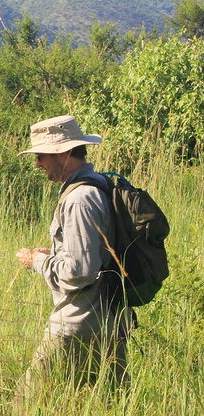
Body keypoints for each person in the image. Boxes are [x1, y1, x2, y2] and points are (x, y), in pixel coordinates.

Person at [15, 114, 131, 391]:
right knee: (106, 408)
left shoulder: (79, 199)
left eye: (42, 155)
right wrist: (55, 254)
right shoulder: (98, 185)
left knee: (27, 404)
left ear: (65, 153)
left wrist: (38, 261)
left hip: (78, 324)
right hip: (109, 319)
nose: (38, 163)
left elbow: (79, 271)